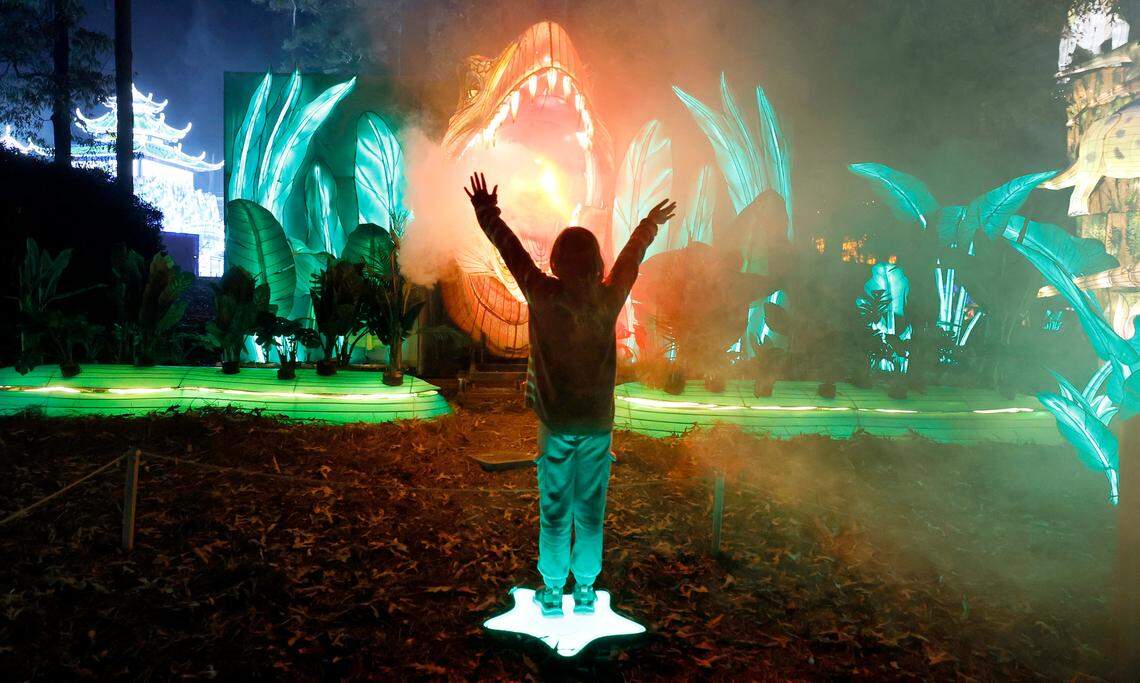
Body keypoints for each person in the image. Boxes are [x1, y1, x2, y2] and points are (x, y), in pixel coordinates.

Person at [465, 172, 675, 617]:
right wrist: (647, 226)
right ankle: (584, 589)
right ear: (595, 262)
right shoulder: (608, 297)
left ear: (558, 262)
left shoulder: (542, 293)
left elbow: (512, 253)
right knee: (591, 507)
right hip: (597, 423)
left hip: (556, 423)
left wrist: (487, 212)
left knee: (555, 506)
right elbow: (631, 260)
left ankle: (551, 588)